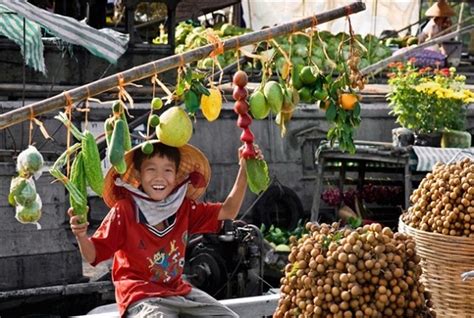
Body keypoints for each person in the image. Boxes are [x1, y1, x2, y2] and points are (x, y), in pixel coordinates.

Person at [69, 140, 261, 317]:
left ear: (177, 175)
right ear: (138, 175)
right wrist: (81, 235)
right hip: (141, 296)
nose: (159, 178)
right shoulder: (125, 210)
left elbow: (228, 211)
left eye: (167, 170)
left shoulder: (183, 207)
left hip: (179, 291)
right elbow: (92, 255)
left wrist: (244, 169)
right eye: (151, 170)